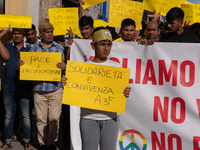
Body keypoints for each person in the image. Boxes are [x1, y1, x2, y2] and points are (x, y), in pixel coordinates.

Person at [62, 27, 131, 150]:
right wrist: (66, 84)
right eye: (102, 44)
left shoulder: (116, 66)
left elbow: (118, 91)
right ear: (93, 46)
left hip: (111, 119)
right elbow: (75, 89)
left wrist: (125, 92)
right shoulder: (85, 68)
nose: (106, 48)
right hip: (88, 118)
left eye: (109, 44)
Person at [18, 21, 65, 150]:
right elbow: (29, 66)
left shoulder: (59, 48)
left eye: (51, 32)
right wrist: (23, 64)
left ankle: (51, 143)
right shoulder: (34, 49)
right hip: (39, 90)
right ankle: (43, 143)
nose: (50, 34)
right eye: (47, 32)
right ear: (41, 33)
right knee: (41, 120)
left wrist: (63, 66)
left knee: (54, 118)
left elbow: (67, 67)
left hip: (55, 89)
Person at [0, 26, 33, 150]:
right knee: (9, 115)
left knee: (25, 115)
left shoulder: (30, 49)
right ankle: (8, 141)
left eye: (19, 33)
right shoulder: (7, 46)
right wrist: (3, 31)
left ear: (23, 35)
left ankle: (27, 141)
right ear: (11, 35)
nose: (17, 35)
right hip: (9, 87)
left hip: (24, 87)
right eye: (14, 33)